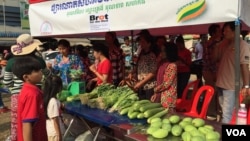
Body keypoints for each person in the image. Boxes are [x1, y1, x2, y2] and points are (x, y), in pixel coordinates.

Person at [3, 34, 49, 141]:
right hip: (34, 93)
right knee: (34, 121)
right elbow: (48, 75)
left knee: (18, 122)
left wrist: (15, 90)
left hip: (17, 96)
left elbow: (7, 82)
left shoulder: (11, 62)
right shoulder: (38, 61)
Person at [214, 21, 250, 124]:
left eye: (226, 30)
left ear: (235, 31)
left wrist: (246, 86)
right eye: (223, 30)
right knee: (223, 112)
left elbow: (245, 66)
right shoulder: (225, 44)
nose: (224, 33)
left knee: (227, 115)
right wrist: (217, 44)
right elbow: (215, 58)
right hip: (221, 84)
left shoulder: (243, 46)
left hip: (231, 87)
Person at [12, 56, 47, 141]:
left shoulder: (28, 89)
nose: (40, 73)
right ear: (26, 77)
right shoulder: (32, 94)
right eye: (36, 71)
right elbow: (27, 123)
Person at [128, 32, 157, 100]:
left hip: (149, 87)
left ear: (149, 44)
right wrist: (132, 72)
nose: (141, 43)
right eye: (140, 41)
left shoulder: (152, 56)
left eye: (143, 41)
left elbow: (152, 73)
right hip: (140, 86)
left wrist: (140, 83)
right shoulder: (141, 54)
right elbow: (138, 66)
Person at [151, 42, 178, 112]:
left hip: (168, 99)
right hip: (161, 96)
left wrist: (155, 90)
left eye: (163, 51)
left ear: (169, 52)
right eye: (161, 51)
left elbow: (166, 84)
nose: (161, 53)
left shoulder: (172, 66)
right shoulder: (162, 64)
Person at [203, 24, 222, 120]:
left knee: (214, 92)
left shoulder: (211, 43)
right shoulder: (212, 43)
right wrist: (214, 73)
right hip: (211, 72)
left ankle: (213, 112)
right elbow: (210, 60)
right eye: (219, 31)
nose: (221, 32)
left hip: (211, 71)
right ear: (214, 33)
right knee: (213, 92)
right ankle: (212, 113)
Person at [43, 75, 65, 141]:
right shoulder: (53, 101)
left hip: (50, 131)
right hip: (55, 133)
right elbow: (55, 120)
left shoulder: (47, 99)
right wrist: (59, 135)